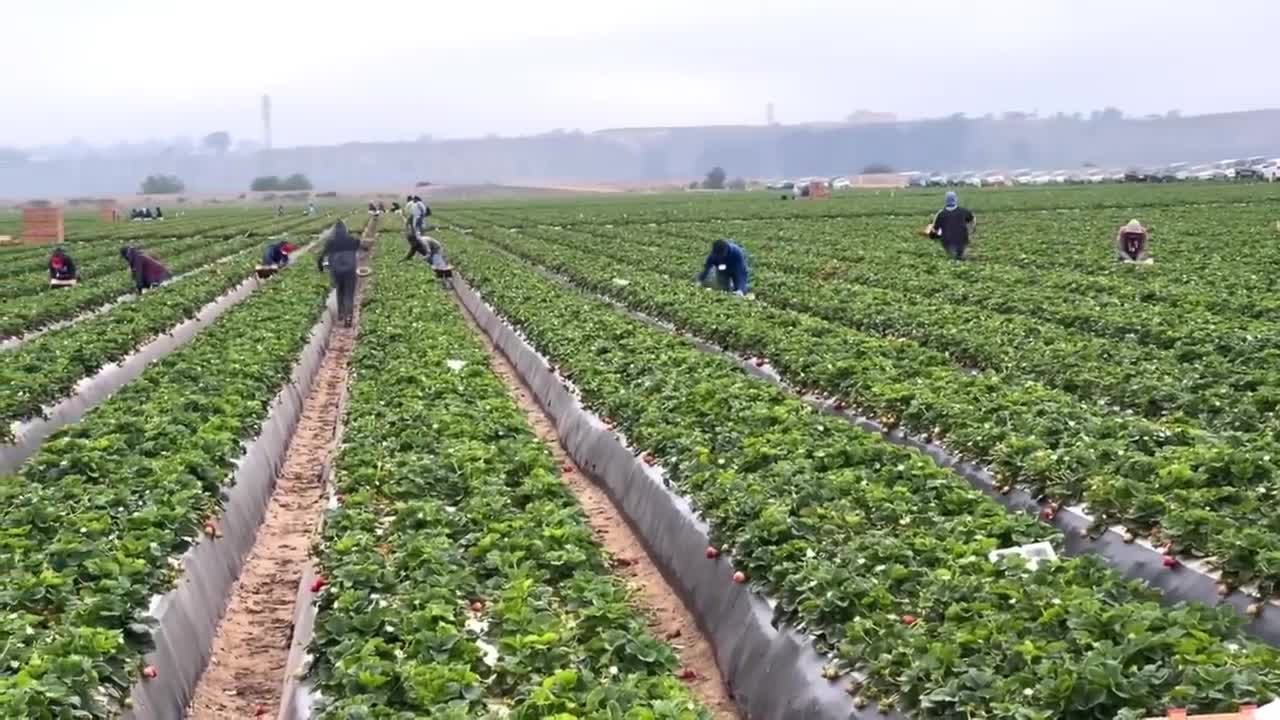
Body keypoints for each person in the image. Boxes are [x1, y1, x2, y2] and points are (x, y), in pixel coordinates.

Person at [316, 220, 361, 327]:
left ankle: (341, 313)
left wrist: (321, 268)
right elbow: (361, 245)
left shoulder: (331, 242)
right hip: (350, 270)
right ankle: (348, 317)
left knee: (340, 291)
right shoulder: (351, 240)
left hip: (336, 270)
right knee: (349, 294)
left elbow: (321, 257)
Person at [928, 191, 976, 260]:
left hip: (948, 242)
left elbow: (934, 230)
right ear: (955, 199)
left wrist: (932, 235)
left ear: (945, 200)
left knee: (953, 258)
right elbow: (973, 219)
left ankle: (957, 259)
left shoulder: (941, 213)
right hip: (962, 240)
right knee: (961, 256)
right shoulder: (964, 211)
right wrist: (971, 231)